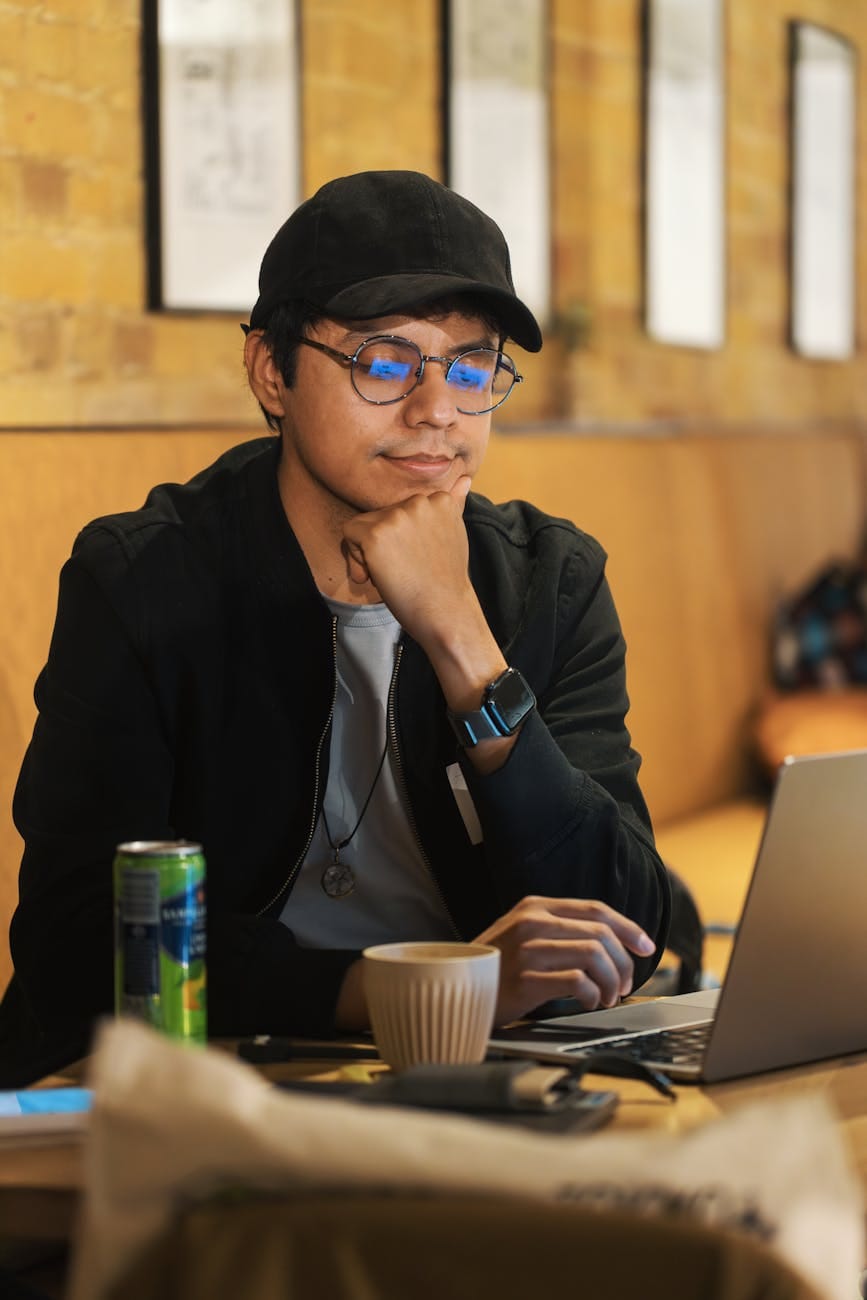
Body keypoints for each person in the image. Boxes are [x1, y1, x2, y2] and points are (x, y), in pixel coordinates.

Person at [0, 170, 669, 1066]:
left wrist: (462, 641)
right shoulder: (145, 580)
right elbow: (78, 944)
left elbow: (625, 925)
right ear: (271, 370)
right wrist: (408, 987)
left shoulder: (550, 580)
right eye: (383, 361)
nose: (437, 410)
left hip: (464, 1078)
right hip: (199, 1075)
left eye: (471, 366)